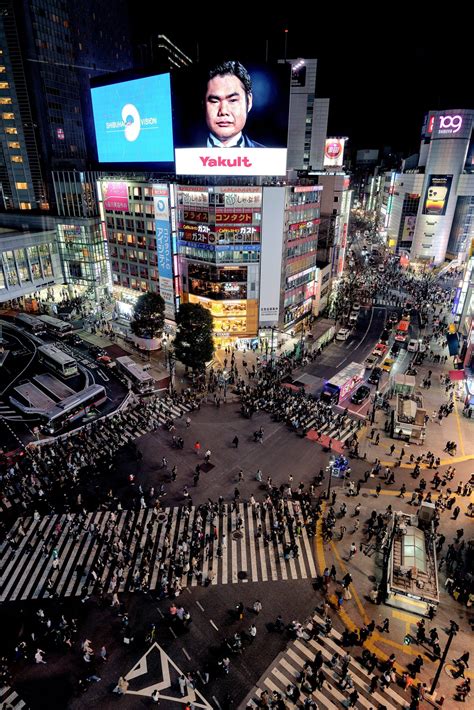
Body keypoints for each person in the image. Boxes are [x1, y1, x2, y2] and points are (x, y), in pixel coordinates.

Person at [203, 61, 264, 148]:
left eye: (232, 100)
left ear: (249, 102)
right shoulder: (184, 156)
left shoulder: (267, 158)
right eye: (214, 101)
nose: (223, 111)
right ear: (203, 104)